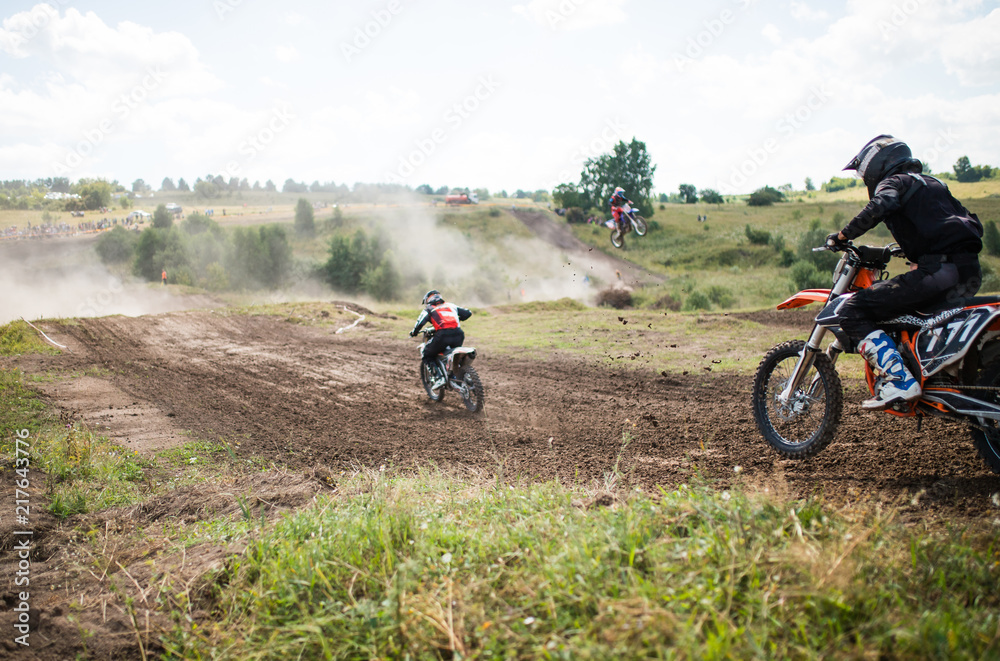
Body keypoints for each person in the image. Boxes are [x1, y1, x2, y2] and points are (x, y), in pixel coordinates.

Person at [827, 134, 984, 410]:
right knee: (916, 315)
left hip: (939, 272)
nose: (868, 182)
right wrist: (920, 250)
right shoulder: (935, 183)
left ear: (877, 165)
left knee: (852, 310)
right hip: (968, 270)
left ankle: (900, 379)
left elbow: (880, 206)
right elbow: (962, 224)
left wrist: (842, 236)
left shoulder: (894, 182)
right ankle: (933, 372)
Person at [409, 290, 472, 390]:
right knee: (452, 354)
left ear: (428, 300)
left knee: (427, 353)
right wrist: (456, 318)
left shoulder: (429, 309)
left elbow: (420, 322)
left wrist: (414, 332)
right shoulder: (451, 305)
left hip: (443, 335)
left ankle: (439, 378)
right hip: (459, 334)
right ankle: (458, 375)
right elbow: (468, 313)